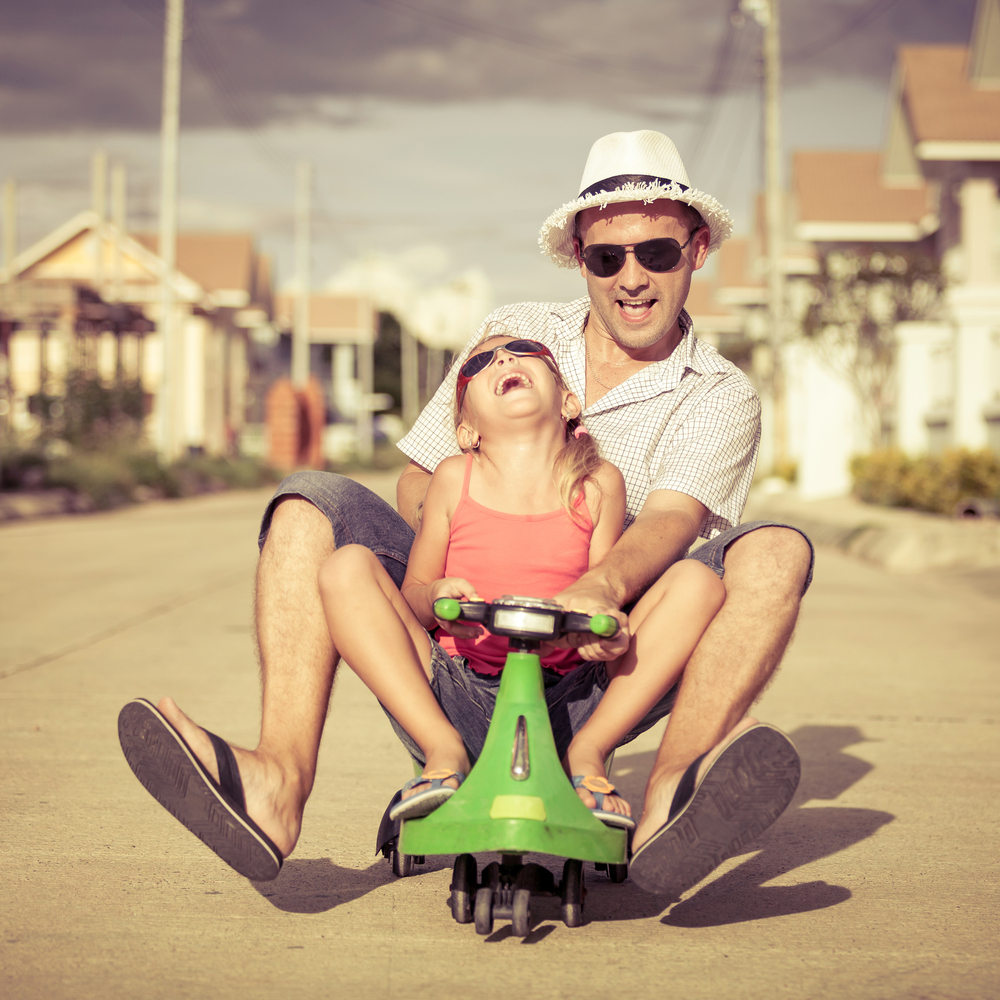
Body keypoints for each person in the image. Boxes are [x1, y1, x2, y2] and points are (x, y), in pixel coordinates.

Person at [119, 129, 813, 898]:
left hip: (600, 669)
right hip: (463, 647)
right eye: (606, 257)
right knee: (309, 506)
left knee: (774, 550)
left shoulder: (717, 395)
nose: (632, 278)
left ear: (698, 249)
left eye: (657, 252)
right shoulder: (519, 336)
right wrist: (458, 564)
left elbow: (671, 523)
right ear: (580, 256)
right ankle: (275, 785)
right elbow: (419, 480)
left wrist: (597, 588)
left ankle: (666, 805)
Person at [316, 333, 725, 830]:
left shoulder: (599, 484)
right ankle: (441, 752)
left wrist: (603, 630)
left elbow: (604, 590)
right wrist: (435, 595)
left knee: (697, 582)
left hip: (568, 700)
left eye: (526, 351)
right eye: (482, 362)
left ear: (568, 402)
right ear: (467, 430)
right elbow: (413, 599)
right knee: (346, 566)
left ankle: (589, 754)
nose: (505, 358)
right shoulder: (452, 478)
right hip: (460, 692)